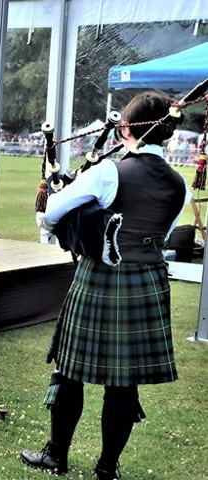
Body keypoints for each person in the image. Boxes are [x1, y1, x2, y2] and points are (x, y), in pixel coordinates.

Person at [21, 92, 192, 480]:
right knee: (123, 380)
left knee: (70, 370)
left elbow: (49, 214)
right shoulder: (179, 183)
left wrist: (66, 214)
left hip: (100, 277)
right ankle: (106, 468)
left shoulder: (109, 171)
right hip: (147, 280)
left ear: (126, 128)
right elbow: (160, 232)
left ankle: (56, 456)